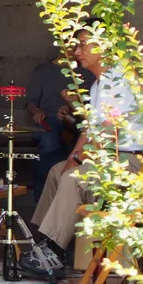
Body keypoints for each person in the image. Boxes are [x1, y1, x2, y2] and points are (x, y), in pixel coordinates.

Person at [21, 25, 143, 278]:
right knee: (58, 171)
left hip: (129, 161)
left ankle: (54, 248)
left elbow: (110, 131)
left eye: (83, 45)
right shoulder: (100, 83)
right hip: (107, 158)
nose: (77, 51)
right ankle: (48, 241)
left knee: (73, 177)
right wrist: (72, 157)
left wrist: (79, 159)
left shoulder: (119, 81)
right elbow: (91, 128)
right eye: (76, 45)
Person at [23, 50, 95, 200]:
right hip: (48, 118)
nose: (75, 50)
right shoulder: (43, 70)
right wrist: (36, 111)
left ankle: (66, 194)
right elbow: (30, 101)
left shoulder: (86, 72)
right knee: (49, 141)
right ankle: (43, 199)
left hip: (78, 119)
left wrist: (70, 107)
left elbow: (91, 106)